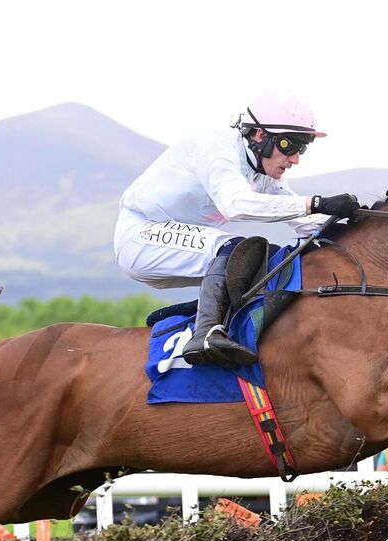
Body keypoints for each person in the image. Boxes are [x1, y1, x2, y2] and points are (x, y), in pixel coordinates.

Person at [114, 91, 360, 368]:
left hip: (178, 245)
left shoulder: (265, 172)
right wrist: (316, 203)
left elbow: (305, 223)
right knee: (237, 249)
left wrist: (359, 222)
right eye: (290, 145)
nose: (295, 159)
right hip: (141, 236)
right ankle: (204, 336)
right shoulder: (216, 145)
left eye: (302, 148)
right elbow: (236, 204)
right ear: (259, 135)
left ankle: (198, 318)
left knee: (270, 258)